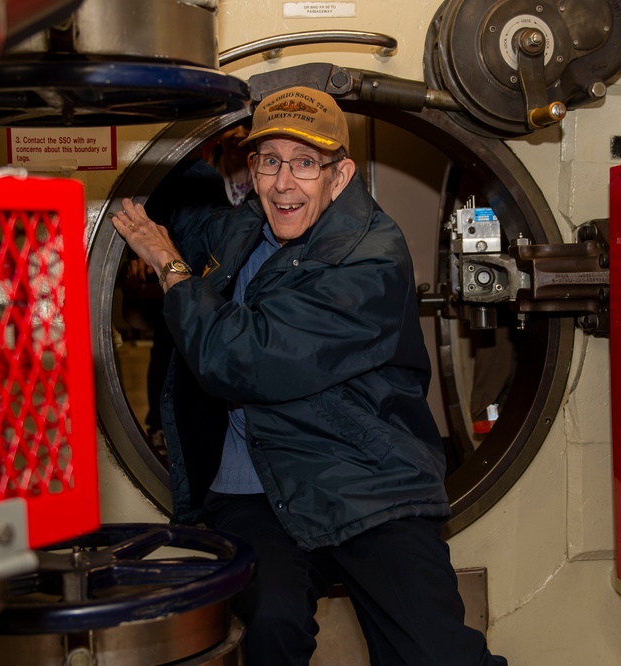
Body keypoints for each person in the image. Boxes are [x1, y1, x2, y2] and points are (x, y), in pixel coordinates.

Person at [112, 86, 507, 666]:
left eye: (305, 163)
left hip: (362, 477)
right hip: (251, 489)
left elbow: (242, 357)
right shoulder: (243, 226)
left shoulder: (371, 255)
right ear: (252, 169)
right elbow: (195, 214)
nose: (283, 183)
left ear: (340, 174)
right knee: (270, 626)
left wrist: (168, 266)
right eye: (269, 161)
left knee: (435, 652)